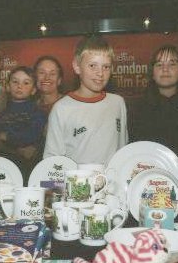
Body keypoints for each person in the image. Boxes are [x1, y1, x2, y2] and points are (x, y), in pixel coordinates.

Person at [43, 35, 128, 165]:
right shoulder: (61, 108)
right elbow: (51, 161)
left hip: (112, 183)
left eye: (106, 67)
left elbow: (123, 149)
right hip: (77, 184)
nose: (100, 73)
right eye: (93, 65)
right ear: (77, 67)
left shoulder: (118, 103)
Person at [0, 66, 47, 178]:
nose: (19, 86)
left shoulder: (37, 113)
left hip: (26, 168)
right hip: (1, 167)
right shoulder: (0, 112)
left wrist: (8, 136)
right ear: (7, 86)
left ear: (34, 90)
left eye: (26, 83)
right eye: (15, 82)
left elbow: (33, 134)